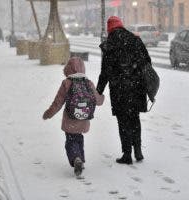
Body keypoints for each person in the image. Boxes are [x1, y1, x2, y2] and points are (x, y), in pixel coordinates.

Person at [96, 16, 152, 165]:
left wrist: (98, 91)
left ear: (109, 29)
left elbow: (105, 72)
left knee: (123, 121)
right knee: (134, 118)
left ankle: (127, 154)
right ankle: (138, 150)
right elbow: (147, 62)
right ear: (121, 25)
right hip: (136, 87)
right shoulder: (135, 40)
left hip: (119, 89)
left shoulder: (110, 45)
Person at [43, 57, 104, 176]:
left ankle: (76, 158)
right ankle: (80, 158)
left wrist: (48, 114)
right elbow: (98, 101)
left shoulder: (67, 82)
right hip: (84, 118)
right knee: (79, 138)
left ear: (68, 69)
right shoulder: (88, 82)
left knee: (70, 140)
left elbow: (58, 102)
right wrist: (102, 98)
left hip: (70, 118)